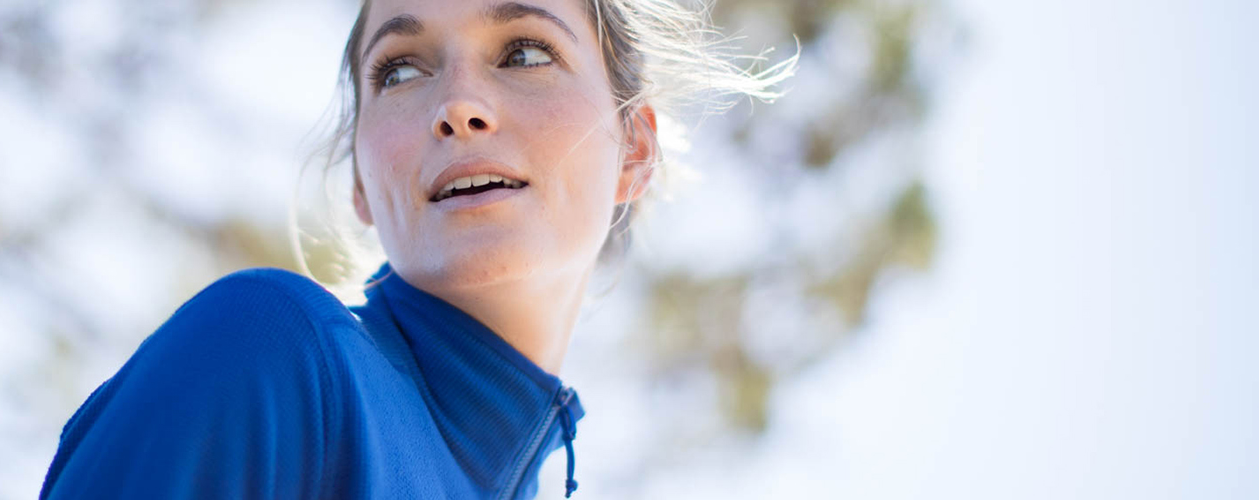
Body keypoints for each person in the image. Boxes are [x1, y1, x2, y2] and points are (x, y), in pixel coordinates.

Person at [39, 0, 790, 498]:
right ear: (361, 181)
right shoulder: (271, 352)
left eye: (524, 52)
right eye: (400, 69)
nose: (458, 105)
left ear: (634, 148)